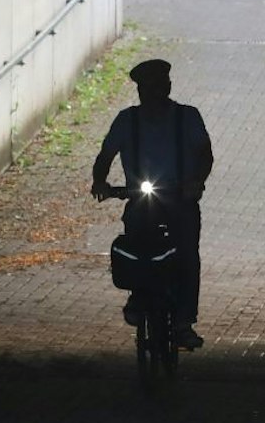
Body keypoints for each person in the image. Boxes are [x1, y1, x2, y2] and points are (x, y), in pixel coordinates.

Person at [90, 58, 214, 350]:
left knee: (186, 254)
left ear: (168, 87)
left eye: (160, 86)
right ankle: (138, 294)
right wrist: (100, 181)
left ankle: (184, 321)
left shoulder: (187, 117)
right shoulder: (126, 121)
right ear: (140, 91)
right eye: (148, 88)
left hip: (180, 197)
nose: (155, 93)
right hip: (142, 196)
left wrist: (195, 181)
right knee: (135, 242)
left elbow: (205, 153)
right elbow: (105, 155)